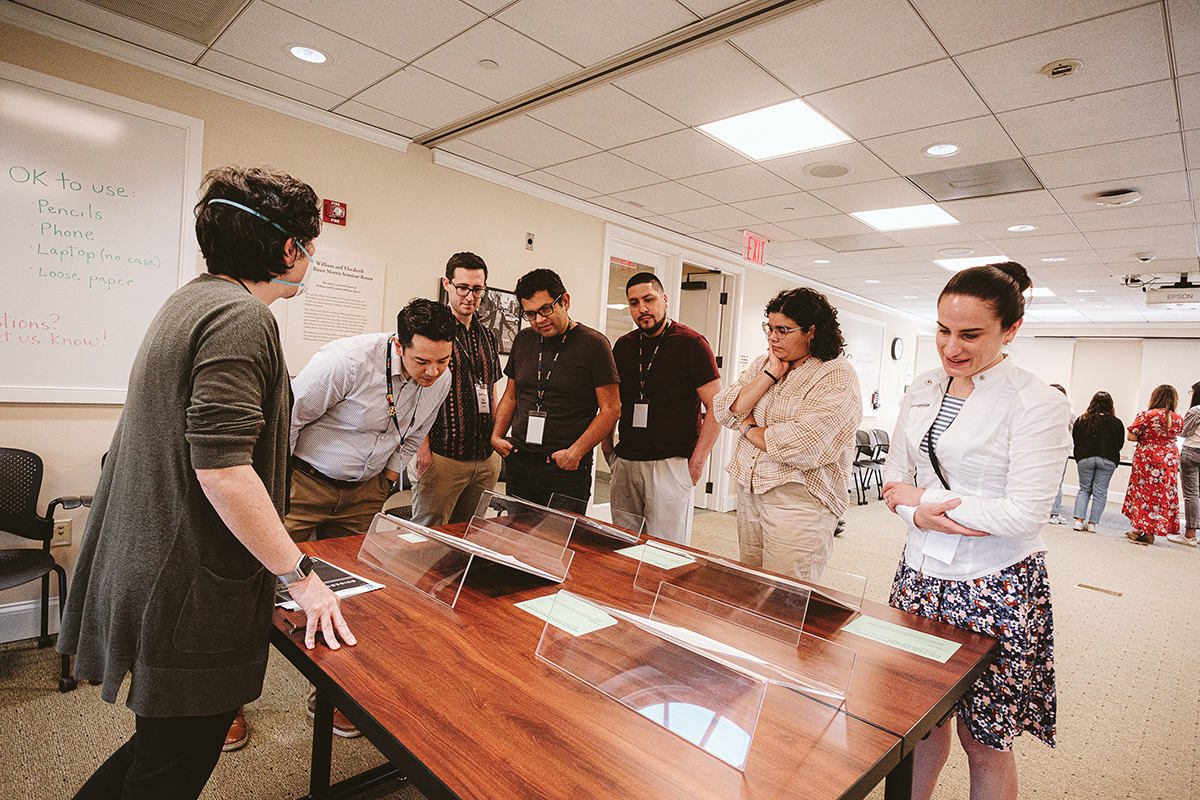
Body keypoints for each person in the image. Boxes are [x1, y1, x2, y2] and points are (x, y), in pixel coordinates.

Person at [57, 166, 355, 800]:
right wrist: (299, 577)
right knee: (170, 767)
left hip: (153, 560)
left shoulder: (189, 300)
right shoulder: (243, 318)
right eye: (309, 243)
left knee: (158, 749)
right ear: (287, 248)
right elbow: (222, 468)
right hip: (185, 583)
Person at [881, 261, 1070, 800]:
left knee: (983, 739)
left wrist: (925, 499)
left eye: (970, 334)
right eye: (942, 329)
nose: (951, 347)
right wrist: (914, 512)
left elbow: (1021, 515)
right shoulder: (922, 387)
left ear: (1010, 330)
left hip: (995, 583)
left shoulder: (1038, 402)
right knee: (916, 725)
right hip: (919, 575)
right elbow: (895, 477)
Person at [273, 297, 453, 741]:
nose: (433, 372)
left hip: (364, 492)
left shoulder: (441, 375)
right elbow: (287, 420)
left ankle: (335, 697)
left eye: (443, 361)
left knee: (355, 596)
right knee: (260, 584)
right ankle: (228, 706)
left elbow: (413, 434)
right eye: (422, 361)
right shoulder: (347, 361)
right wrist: (276, 486)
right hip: (303, 481)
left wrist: (386, 482)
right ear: (399, 343)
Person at [712, 287, 861, 582]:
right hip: (751, 489)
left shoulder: (835, 374)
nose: (772, 337)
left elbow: (803, 444)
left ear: (812, 331)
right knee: (751, 585)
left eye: (783, 330)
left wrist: (747, 427)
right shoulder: (763, 364)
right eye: (770, 327)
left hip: (799, 499)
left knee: (785, 595)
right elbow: (722, 409)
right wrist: (769, 376)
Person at [601, 272, 722, 544]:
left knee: (664, 550)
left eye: (649, 299)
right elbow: (611, 402)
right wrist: (607, 448)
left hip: (670, 464)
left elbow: (717, 407)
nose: (642, 308)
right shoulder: (624, 346)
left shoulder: (692, 344)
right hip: (626, 461)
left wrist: (697, 463)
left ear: (664, 300)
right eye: (634, 303)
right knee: (622, 546)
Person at [491, 269, 620, 507]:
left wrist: (576, 453)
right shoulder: (524, 340)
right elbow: (511, 396)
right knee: (516, 538)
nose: (539, 319)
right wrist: (496, 435)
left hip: (564, 467)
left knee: (557, 540)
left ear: (565, 301)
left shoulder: (594, 345)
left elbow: (611, 409)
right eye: (530, 314)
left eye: (545, 309)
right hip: (520, 460)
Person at [411, 253, 503, 527]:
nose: (470, 296)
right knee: (428, 532)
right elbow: (415, 391)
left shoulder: (487, 336)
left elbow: (491, 388)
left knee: (469, 531)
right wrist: (421, 449)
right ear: (447, 284)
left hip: (484, 457)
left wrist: (497, 439)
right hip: (442, 454)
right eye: (462, 287)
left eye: (477, 289)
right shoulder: (431, 332)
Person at [1122, 384, 1183, 545]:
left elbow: (1131, 436)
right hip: (1169, 458)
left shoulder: (1147, 415)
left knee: (1144, 492)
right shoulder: (1178, 418)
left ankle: (1144, 530)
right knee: (1161, 494)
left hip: (1148, 458)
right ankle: (1146, 530)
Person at [1070, 391, 1124, 532]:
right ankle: (1092, 524)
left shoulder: (1082, 419)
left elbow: (1076, 439)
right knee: (1100, 492)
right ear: (1110, 405)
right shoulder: (1116, 423)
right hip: (1108, 459)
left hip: (1085, 457)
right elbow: (1120, 444)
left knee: (1084, 489)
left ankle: (1078, 521)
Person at [1046, 383, 1075, 525]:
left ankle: (1044, 512)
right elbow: (1075, 429)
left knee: (1042, 481)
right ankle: (1054, 513)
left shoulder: (1041, 410)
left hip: (1043, 449)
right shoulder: (1069, 411)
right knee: (1057, 483)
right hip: (1060, 451)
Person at [1176, 382, 1200, 547]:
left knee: (1191, 494)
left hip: (1192, 451)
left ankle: (1190, 534)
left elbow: (1183, 432)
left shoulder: (1196, 410)